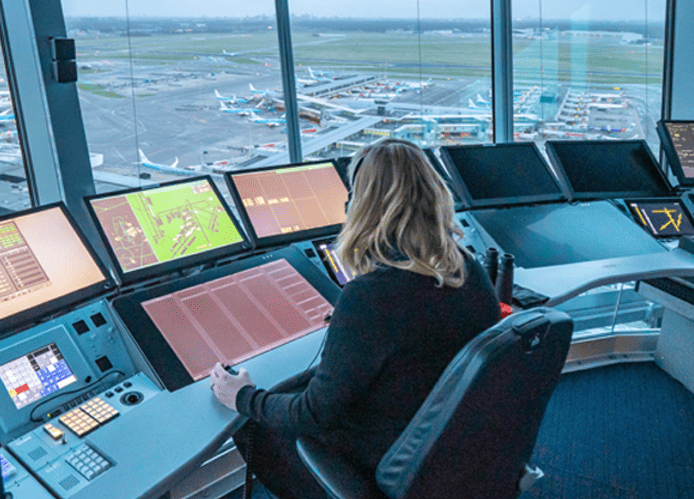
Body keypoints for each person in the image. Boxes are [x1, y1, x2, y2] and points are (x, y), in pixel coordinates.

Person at [210, 138, 500, 499]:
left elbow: (312, 415)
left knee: (254, 426)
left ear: (361, 207)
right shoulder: (467, 267)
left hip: (388, 462)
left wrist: (243, 397)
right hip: (448, 449)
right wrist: (353, 330)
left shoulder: (372, 297)